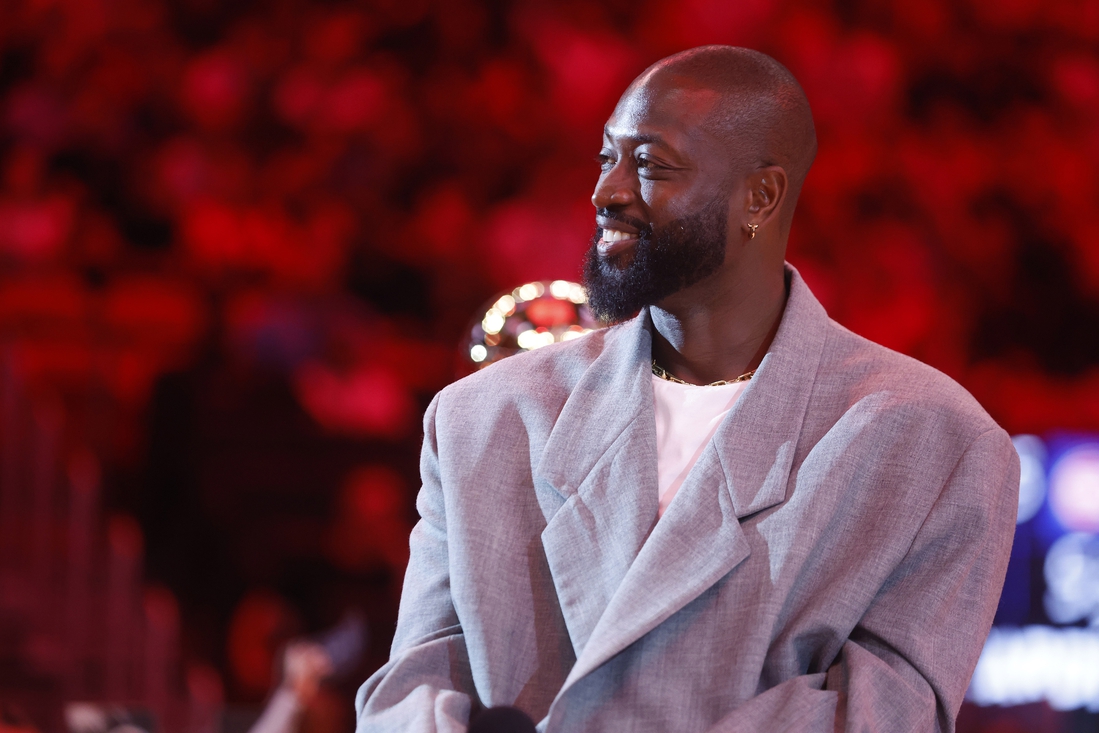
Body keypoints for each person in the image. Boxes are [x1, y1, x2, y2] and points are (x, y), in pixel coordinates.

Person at [355, 45, 1020, 732]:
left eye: (649, 165)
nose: (606, 192)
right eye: (606, 158)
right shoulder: (479, 418)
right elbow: (407, 693)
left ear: (759, 197)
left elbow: (881, 715)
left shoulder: (937, 443)